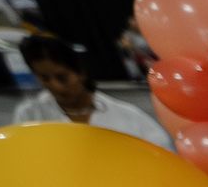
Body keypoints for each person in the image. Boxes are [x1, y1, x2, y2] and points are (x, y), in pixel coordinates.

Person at [11, 32, 172, 149]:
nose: (55, 86)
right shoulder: (29, 117)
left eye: (62, 78)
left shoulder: (129, 117)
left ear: (81, 72)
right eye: (45, 78)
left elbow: (163, 155)